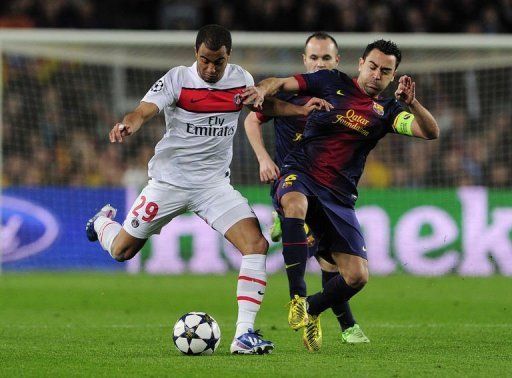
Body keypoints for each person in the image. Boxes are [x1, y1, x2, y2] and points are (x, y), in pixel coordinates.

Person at [85, 24, 327, 355]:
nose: (211, 69)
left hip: (214, 185)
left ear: (229, 57)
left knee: (256, 244)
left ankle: (244, 335)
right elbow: (143, 110)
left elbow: (262, 108)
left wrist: (299, 109)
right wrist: (129, 124)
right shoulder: (177, 79)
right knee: (121, 252)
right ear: (195, 54)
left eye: (219, 62)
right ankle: (100, 222)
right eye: (205, 61)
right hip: (169, 183)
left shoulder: (240, 78)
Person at [242, 39, 439, 351]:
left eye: (385, 71)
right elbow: (279, 83)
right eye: (373, 66)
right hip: (301, 172)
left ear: (393, 76)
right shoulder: (330, 80)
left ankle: (311, 309)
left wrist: (412, 103)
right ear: (360, 63)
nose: (377, 74)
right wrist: (262, 90)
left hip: (339, 196)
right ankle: (297, 297)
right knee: (293, 203)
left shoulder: (387, 111)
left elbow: (430, 132)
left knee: (357, 276)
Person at [244, 32, 369, 344]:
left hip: (326, 189)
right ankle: (313, 307)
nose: (319, 63)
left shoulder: (342, 95)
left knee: (330, 262)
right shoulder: (291, 94)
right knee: (297, 211)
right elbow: (251, 120)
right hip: (292, 182)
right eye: (314, 57)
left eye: (326, 58)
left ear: (337, 63)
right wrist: (262, 159)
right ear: (304, 60)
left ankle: (334, 320)